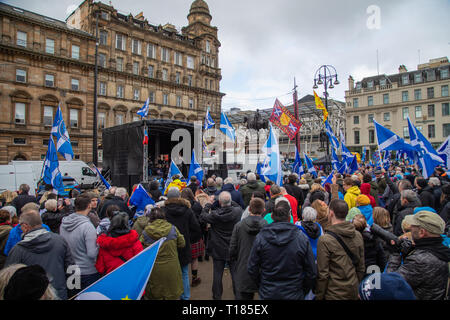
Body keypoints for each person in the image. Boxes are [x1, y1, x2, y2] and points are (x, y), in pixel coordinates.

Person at [247, 201, 316, 300]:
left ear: (272, 217)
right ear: (289, 218)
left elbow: (252, 267)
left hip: (275, 291)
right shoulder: (301, 238)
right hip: (287, 291)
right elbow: (311, 270)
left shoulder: (261, 238)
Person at [4, 208, 74, 300]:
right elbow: (72, 267)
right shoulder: (60, 241)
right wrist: (73, 291)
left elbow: (8, 279)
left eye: (20, 226)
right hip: (59, 293)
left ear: (25, 226)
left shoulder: (18, 249)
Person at [386, 210, 450, 300]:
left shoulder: (420, 261)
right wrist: (409, 253)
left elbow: (390, 283)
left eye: (412, 226)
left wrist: (395, 253)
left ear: (421, 232)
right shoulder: (442, 250)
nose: (410, 227)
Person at [315, 199, 365, 300]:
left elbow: (323, 274)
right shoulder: (358, 235)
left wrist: (319, 296)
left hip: (333, 293)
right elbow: (361, 267)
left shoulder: (325, 240)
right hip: (352, 290)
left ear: (331, 213)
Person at [200, 191, 242, 300]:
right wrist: (227, 199)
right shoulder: (237, 212)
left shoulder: (214, 215)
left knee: (217, 274)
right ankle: (238, 296)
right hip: (233, 247)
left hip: (218, 247)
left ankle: (217, 297)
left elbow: (203, 215)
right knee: (235, 274)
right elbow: (237, 205)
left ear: (219, 202)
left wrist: (209, 203)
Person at [59, 193, 100, 298]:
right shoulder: (87, 226)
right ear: (89, 206)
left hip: (71, 270)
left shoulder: (63, 224)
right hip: (87, 271)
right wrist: (99, 245)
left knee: (73, 297)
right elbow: (92, 253)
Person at [164, 187, 201, 300]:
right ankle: (185, 297)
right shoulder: (187, 210)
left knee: (168, 273)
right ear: (179, 196)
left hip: (167, 246)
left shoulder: (163, 210)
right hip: (183, 245)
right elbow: (196, 229)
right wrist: (188, 240)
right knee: (184, 272)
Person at [140, 207, 185, 300]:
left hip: (154, 269)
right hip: (171, 267)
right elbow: (182, 243)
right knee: (172, 292)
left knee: (156, 294)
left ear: (150, 218)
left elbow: (140, 249)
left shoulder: (145, 232)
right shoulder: (173, 229)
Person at [229, 198, 267, 300]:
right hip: (263, 268)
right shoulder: (267, 226)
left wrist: (235, 260)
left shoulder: (239, 226)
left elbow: (232, 248)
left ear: (249, 209)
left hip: (244, 266)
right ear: (263, 210)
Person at [95, 211, 143, 275]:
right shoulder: (134, 242)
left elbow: (100, 268)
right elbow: (140, 263)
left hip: (112, 279)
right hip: (131, 277)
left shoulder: (104, 244)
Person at [180, 188, 204, 287]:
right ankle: (194, 278)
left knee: (182, 261)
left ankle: (182, 281)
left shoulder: (180, 206)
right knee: (194, 259)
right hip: (194, 236)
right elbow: (201, 219)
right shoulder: (197, 205)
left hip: (183, 236)